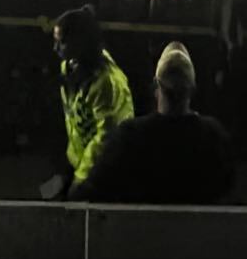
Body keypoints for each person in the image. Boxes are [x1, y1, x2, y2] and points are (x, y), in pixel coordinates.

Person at [84, 42, 232, 204]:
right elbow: (225, 190)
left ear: (155, 85)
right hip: (198, 229)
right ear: (193, 89)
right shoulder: (213, 137)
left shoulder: (129, 136)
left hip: (139, 228)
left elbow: (96, 188)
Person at [40, 5, 133, 201]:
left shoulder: (106, 82)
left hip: (104, 171)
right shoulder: (70, 66)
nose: (55, 48)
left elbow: (105, 140)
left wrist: (81, 179)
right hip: (78, 159)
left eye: (62, 42)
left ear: (80, 43)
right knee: (47, 198)